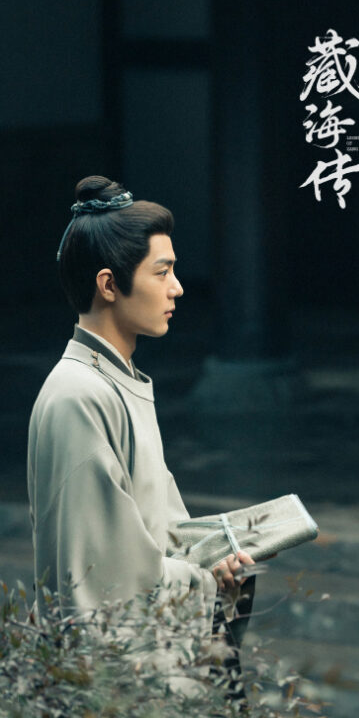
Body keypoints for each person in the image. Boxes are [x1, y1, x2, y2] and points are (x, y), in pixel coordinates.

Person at [28, 174, 253, 623]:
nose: (177, 287)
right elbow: (106, 579)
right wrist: (206, 579)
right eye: (162, 271)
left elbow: (159, 528)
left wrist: (217, 552)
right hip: (108, 661)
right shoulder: (79, 395)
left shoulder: (115, 378)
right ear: (109, 285)